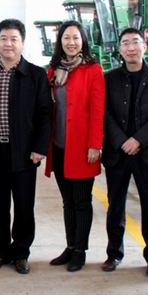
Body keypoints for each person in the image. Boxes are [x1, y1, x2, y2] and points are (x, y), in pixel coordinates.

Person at [0, 19, 51, 275]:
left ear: (22, 43)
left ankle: (21, 252)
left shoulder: (35, 75)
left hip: (24, 152)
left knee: (23, 206)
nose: (8, 44)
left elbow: (45, 113)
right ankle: (0, 251)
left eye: (13, 39)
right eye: (3, 38)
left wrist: (39, 147)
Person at [101, 28, 148, 277]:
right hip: (118, 153)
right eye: (125, 43)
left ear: (145, 46)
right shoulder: (109, 78)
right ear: (119, 49)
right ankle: (114, 254)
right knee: (115, 206)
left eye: (135, 42)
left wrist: (138, 140)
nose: (131, 47)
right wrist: (122, 141)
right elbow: (105, 113)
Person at [44, 21, 105, 273]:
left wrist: (95, 144)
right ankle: (70, 246)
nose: (71, 42)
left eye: (76, 38)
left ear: (83, 41)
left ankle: (80, 250)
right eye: (66, 38)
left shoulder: (93, 69)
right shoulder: (53, 70)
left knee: (81, 201)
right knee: (67, 201)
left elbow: (98, 110)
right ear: (60, 41)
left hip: (82, 148)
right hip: (59, 147)